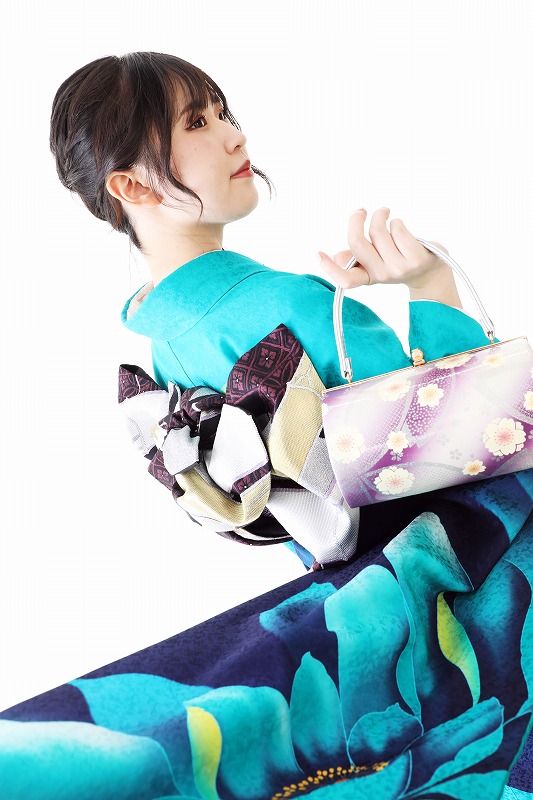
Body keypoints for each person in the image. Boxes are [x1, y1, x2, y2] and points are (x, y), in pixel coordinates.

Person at [50, 51, 491, 566]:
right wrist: (430, 283)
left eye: (222, 114)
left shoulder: (166, 350)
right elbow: (470, 434)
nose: (236, 137)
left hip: (362, 580)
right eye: (196, 123)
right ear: (132, 185)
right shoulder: (288, 306)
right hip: (464, 552)